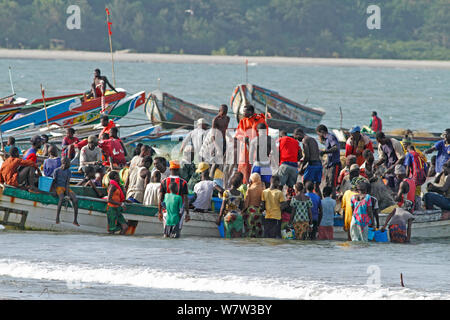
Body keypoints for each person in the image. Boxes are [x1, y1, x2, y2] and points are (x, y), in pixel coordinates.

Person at [235, 105, 268, 184]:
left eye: (244, 111)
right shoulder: (243, 121)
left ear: (251, 112)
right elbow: (238, 134)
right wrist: (244, 138)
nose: (243, 113)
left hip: (258, 148)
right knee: (244, 167)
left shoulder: (260, 120)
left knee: (257, 168)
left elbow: (265, 133)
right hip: (245, 149)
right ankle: (244, 184)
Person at [158, 160, 190, 229]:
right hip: (179, 213)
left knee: (166, 232)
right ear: (178, 169)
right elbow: (186, 200)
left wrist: (159, 212)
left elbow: (160, 198)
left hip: (166, 211)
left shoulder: (164, 181)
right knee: (176, 232)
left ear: (170, 169)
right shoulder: (183, 183)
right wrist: (187, 213)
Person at [295, 128, 322, 196]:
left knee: (306, 185)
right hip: (319, 165)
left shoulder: (305, 140)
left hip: (312, 165)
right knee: (316, 187)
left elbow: (307, 156)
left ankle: (304, 202)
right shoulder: (312, 139)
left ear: (299, 134)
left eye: (297, 137)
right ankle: (320, 203)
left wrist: (301, 168)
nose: (298, 140)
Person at [52, 158, 79, 226]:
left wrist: (67, 194)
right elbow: (54, 182)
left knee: (75, 200)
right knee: (61, 198)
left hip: (65, 188)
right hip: (59, 187)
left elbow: (67, 183)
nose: (70, 165)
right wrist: (54, 190)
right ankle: (57, 217)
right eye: (69, 163)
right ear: (64, 163)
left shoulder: (68, 171)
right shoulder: (57, 171)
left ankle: (75, 220)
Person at [316, 125, 341, 197]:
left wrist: (325, 152)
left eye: (318, 134)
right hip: (329, 164)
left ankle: (333, 201)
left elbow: (336, 147)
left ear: (322, 132)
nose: (319, 136)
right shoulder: (327, 139)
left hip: (335, 164)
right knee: (328, 184)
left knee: (332, 185)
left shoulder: (330, 137)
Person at [249, 123, 274, 188]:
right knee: (267, 184)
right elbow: (274, 153)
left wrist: (251, 163)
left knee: (252, 182)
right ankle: (266, 197)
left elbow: (251, 154)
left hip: (257, 164)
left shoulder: (254, 140)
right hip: (266, 164)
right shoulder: (270, 140)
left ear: (257, 131)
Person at [243, 172, 265, 238]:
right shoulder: (262, 188)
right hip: (259, 210)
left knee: (250, 229)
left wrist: (243, 210)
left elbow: (246, 201)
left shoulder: (250, 189)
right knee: (258, 230)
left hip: (250, 211)